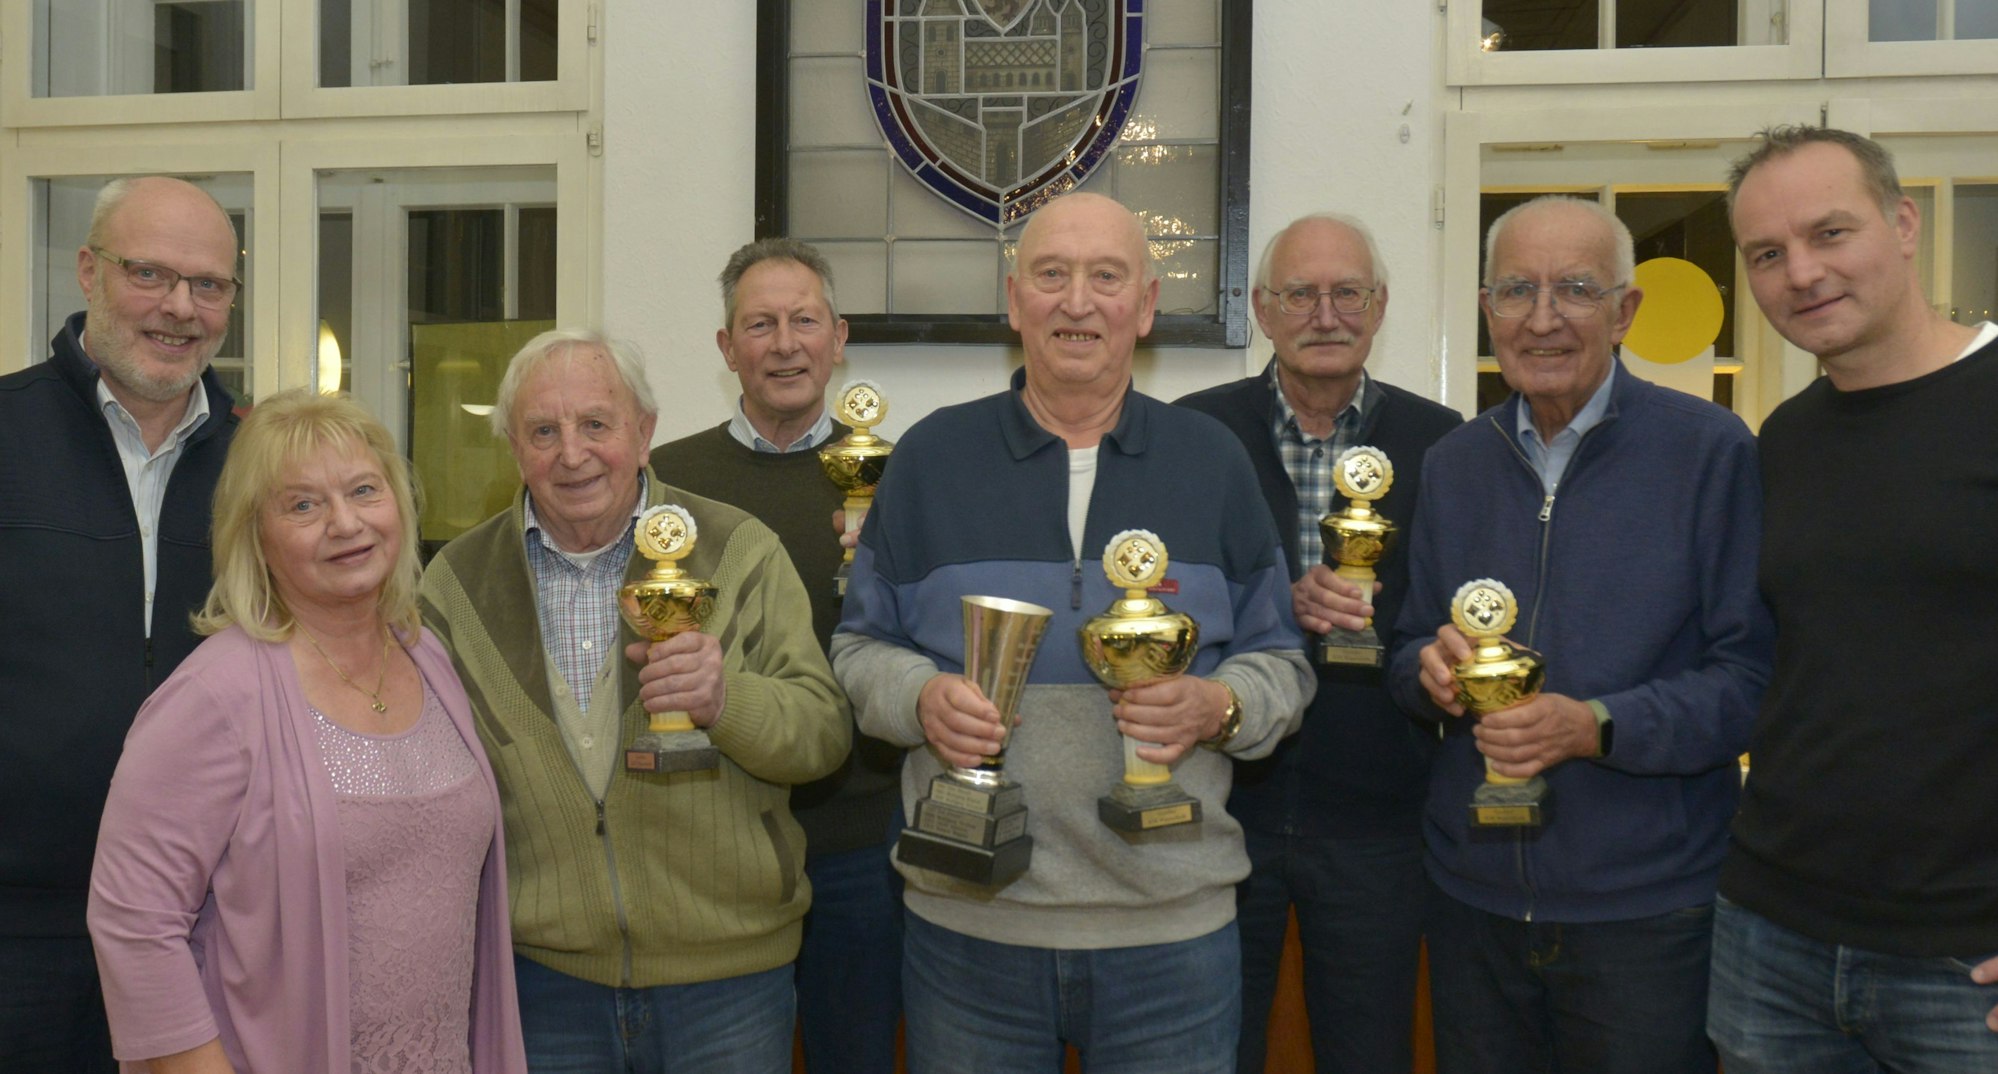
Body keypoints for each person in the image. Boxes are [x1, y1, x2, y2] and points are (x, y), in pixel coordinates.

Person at [832, 191, 1314, 1073]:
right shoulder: (930, 459)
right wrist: (920, 698)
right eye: (1051, 276)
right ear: (1015, 301)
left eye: (1106, 277)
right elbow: (859, 650)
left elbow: (1282, 661)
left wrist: (1215, 704)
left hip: (1172, 934)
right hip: (968, 930)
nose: (1078, 301)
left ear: (1146, 304)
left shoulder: (1213, 463)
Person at [1386, 195, 1774, 1074]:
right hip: (1472, 899)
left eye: (1575, 289)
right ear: (1488, 310)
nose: (1544, 317)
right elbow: (1407, 647)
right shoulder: (1453, 463)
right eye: (1517, 290)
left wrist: (1596, 725)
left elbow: (1750, 681)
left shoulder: (1712, 453)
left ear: (1625, 311)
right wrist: (1428, 673)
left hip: (1647, 914)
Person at [418, 328, 850, 1073]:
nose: (572, 453)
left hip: (729, 980)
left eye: (596, 424)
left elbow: (822, 734)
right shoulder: (454, 584)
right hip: (543, 983)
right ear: (515, 450)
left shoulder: (738, 547)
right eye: (543, 431)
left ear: (645, 433)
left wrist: (727, 701)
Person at [87, 390, 527, 1074]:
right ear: (255, 536)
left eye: (363, 490)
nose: (345, 523)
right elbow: (134, 922)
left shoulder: (426, 657)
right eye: (302, 505)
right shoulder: (216, 696)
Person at [1709, 125, 1998, 1072]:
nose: (1802, 272)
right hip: (1771, 938)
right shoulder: (1785, 437)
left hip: (1965, 964)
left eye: (1830, 233)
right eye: (1767, 253)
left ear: (1904, 224)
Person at [1176, 212, 1462, 1074]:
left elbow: (1457, 613)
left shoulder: (1444, 444)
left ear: (1379, 309)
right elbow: (1162, 604)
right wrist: (1275, 608)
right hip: (1225, 809)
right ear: (1263, 310)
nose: (1325, 315)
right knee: (1214, 1050)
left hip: (1380, 819)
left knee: (1370, 1049)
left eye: (1347, 294)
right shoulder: (1195, 435)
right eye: (1301, 293)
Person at [0, 176, 241, 1071]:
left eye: (209, 284)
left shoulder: (263, 469)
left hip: (209, 923)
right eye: (152, 274)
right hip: (21, 930)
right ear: (89, 272)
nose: (181, 308)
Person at [649, 238, 903, 1074]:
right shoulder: (663, 486)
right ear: (727, 348)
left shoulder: (898, 479)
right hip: (715, 841)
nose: (785, 343)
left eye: (804, 321)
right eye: (760, 324)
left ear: (839, 338)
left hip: (862, 837)